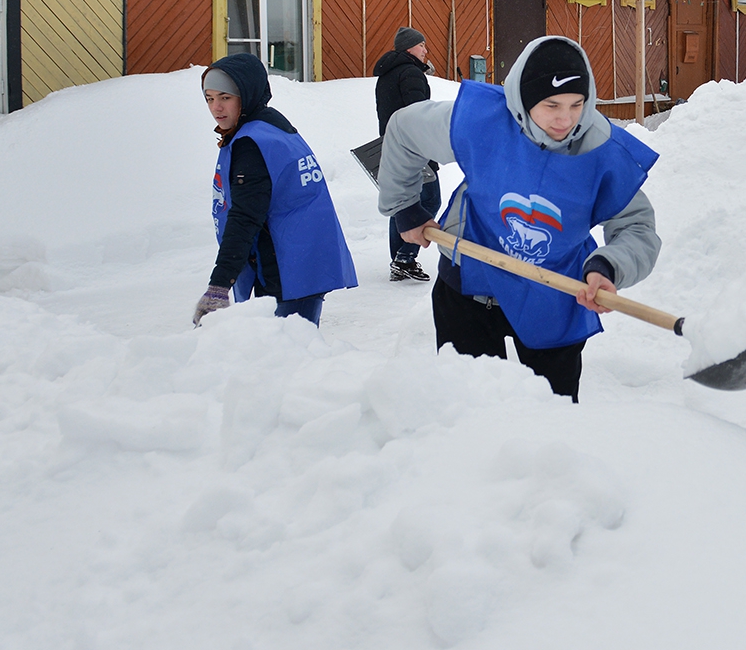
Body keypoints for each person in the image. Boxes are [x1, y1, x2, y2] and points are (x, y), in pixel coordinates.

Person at [376, 36, 660, 401]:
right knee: (467, 408)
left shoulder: (603, 152)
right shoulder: (481, 122)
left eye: (577, 104)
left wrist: (609, 267)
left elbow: (637, 228)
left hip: (555, 293)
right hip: (468, 286)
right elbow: (403, 130)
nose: (565, 118)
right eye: (551, 104)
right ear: (524, 101)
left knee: (551, 417)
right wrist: (406, 207)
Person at [195, 53, 358, 327]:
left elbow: (245, 218)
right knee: (289, 353)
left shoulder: (252, 144)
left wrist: (219, 285)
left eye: (225, 97)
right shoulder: (272, 126)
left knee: (286, 359)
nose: (216, 108)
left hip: (287, 265)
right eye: (209, 98)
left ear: (245, 95)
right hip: (303, 258)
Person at [373, 26, 442, 282]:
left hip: (393, 145)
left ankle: (400, 259)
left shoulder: (387, 74)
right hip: (415, 147)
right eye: (422, 45)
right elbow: (419, 115)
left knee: (404, 202)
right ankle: (405, 257)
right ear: (409, 48)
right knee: (430, 199)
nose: (425, 50)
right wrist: (429, 148)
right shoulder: (411, 73)